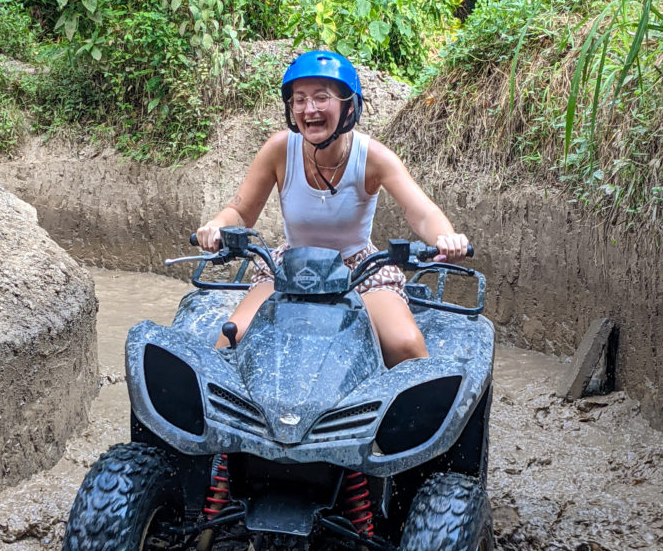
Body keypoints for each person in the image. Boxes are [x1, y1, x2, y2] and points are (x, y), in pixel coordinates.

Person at [195, 50, 469, 367]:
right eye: (299, 99)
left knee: (405, 345)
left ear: (348, 106)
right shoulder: (279, 150)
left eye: (321, 98)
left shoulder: (373, 156)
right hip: (290, 266)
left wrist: (447, 237)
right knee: (233, 340)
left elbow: (421, 212)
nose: (309, 109)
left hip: (359, 269)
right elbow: (241, 212)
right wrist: (217, 225)